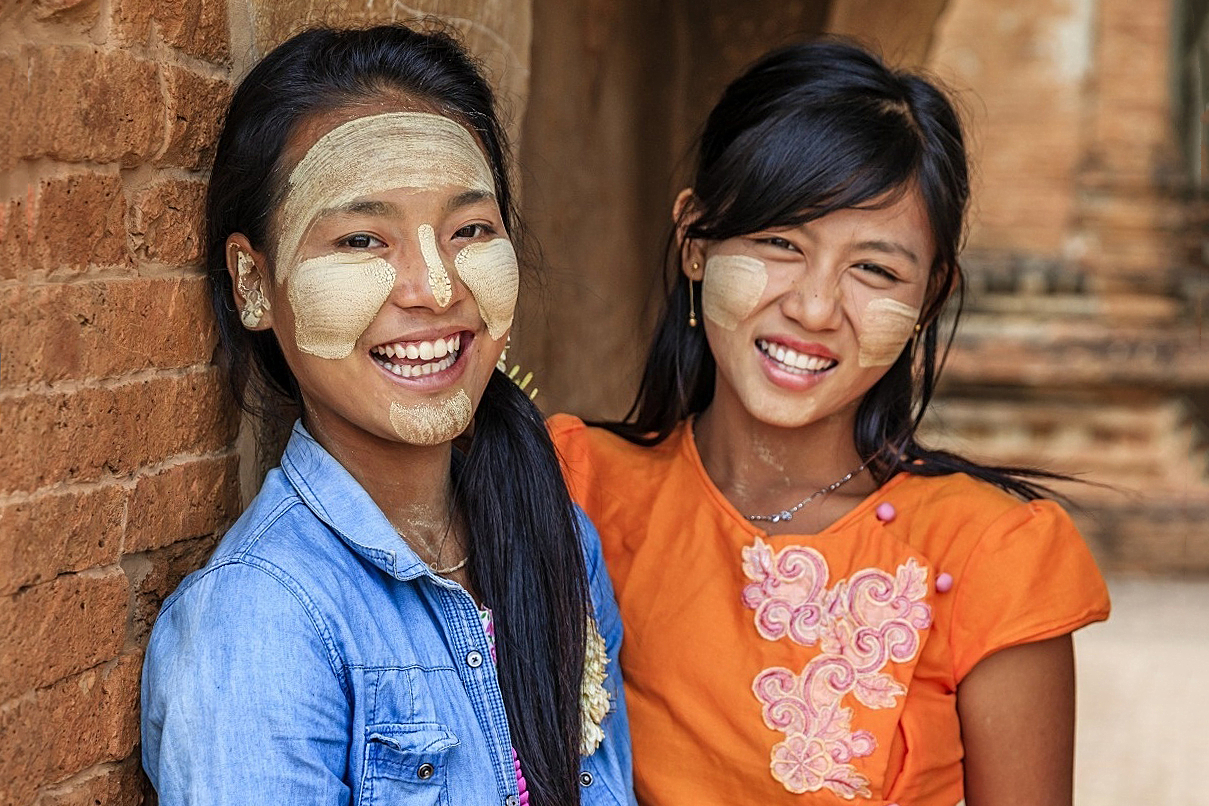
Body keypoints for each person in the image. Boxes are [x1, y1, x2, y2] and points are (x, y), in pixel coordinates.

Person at [550, 40, 1109, 806]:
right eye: (779, 243)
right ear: (695, 244)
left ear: (929, 299)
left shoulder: (990, 558)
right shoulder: (573, 488)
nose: (814, 308)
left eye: (873, 270)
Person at [141, 25, 633, 806]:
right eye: (364, 238)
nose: (435, 289)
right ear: (253, 284)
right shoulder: (260, 621)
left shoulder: (558, 537)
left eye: (470, 229)